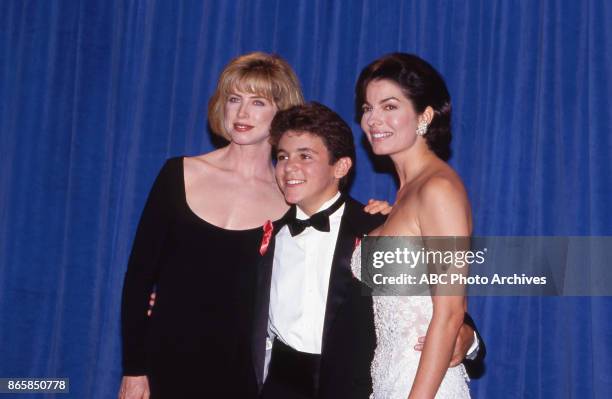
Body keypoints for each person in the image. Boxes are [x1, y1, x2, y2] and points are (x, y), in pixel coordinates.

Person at [251, 102, 482, 399]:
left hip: (357, 388)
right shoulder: (264, 237)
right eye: (282, 157)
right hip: (281, 388)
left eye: (305, 156)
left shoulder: (379, 227)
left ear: (341, 166)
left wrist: (468, 337)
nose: (289, 167)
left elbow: (438, 302)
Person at [118, 52, 304, 399]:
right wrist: (134, 369)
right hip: (164, 362)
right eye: (234, 99)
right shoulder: (179, 174)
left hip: (244, 375)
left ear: (282, 112)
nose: (242, 113)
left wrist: (382, 213)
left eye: (258, 102)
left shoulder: (292, 199)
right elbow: (138, 278)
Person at [353, 52, 473, 397]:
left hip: (423, 385)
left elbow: (451, 313)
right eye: (367, 108)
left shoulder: (438, 189)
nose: (373, 119)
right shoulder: (408, 194)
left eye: (389, 107)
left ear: (425, 116)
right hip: (389, 379)